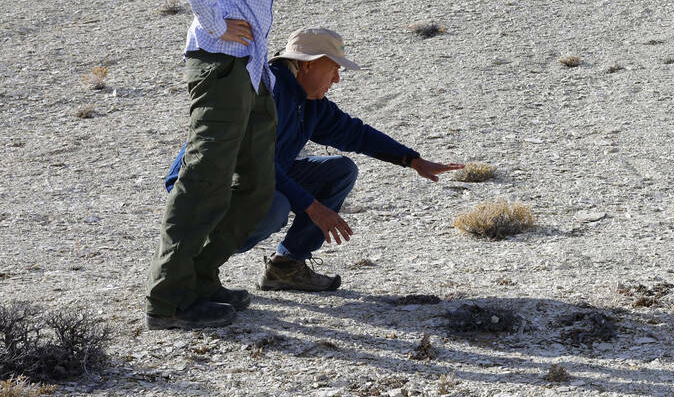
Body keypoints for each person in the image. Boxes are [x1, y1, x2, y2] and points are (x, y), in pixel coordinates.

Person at [145, 0, 333, 330]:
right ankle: (170, 300)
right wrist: (213, 21)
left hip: (250, 71)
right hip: (222, 64)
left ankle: (202, 277)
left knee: (256, 187)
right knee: (206, 179)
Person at [165, 26, 463, 292]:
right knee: (275, 206)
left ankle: (286, 268)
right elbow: (254, 162)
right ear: (306, 66)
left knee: (340, 170)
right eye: (333, 68)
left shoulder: (308, 102)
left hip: (258, 174)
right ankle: (196, 268)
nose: (336, 78)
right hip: (205, 180)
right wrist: (312, 207)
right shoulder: (266, 91)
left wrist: (412, 160)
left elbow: (356, 134)